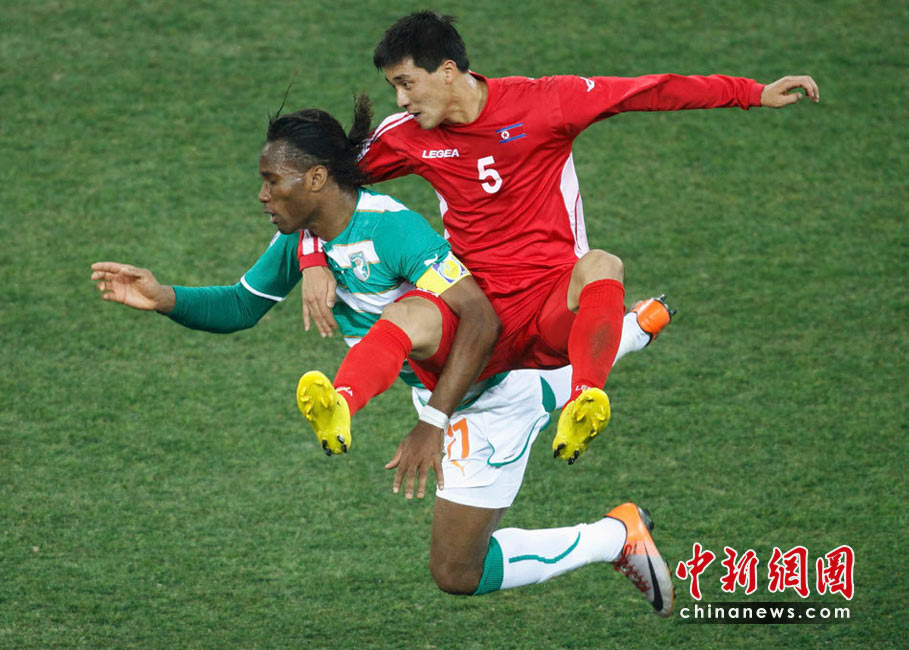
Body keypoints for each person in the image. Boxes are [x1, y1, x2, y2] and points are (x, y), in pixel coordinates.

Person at [91, 98, 677, 615]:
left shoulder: (394, 230)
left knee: (457, 571)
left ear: (315, 178)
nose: (262, 194)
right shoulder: (302, 237)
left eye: (272, 181)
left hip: (483, 394)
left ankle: (615, 535)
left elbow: (480, 320)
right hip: (438, 381)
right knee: (509, 354)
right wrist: (163, 297)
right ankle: (632, 328)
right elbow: (242, 305)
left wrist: (433, 423)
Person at [297, 10, 819, 471]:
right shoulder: (406, 135)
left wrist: (751, 93)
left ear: (448, 71)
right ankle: (341, 403)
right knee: (407, 314)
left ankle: (584, 402)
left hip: (549, 306)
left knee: (602, 265)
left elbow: (647, 91)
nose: (401, 100)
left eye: (407, 83)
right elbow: (319, 186)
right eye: (395, 87)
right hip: (474, 310)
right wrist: (313, 257)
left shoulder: (545, 102)